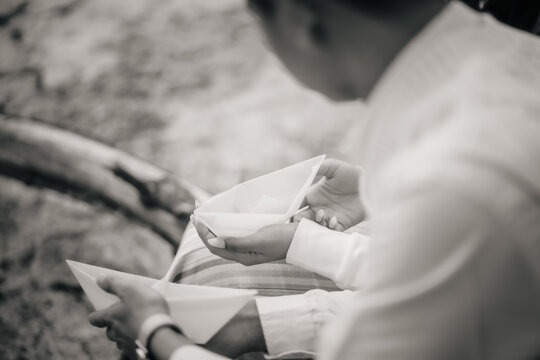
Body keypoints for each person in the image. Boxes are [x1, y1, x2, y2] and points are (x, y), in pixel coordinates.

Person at [88, 0, 540, 359]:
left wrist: (157, 336)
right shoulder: (514, 55)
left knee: (199, 287)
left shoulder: (454, 183)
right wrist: (304, 244)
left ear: (300, 18)